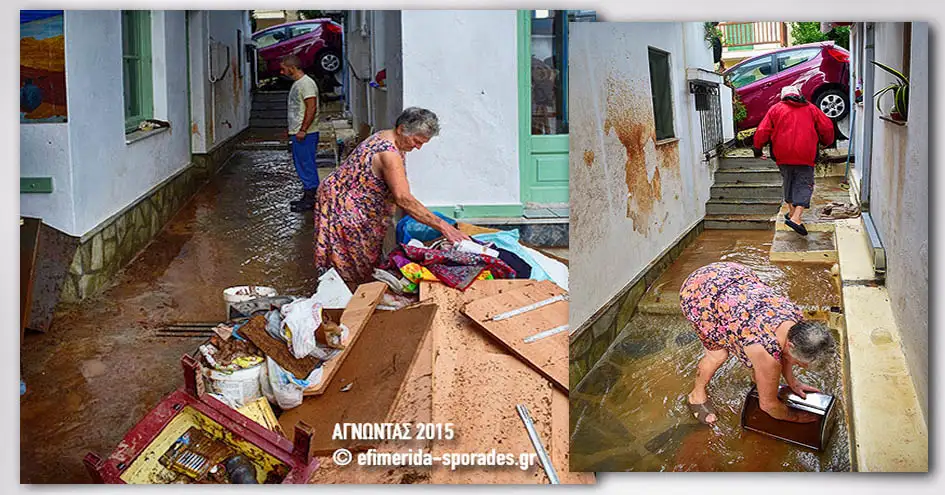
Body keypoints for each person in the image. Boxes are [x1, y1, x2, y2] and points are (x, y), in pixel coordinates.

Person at [312, 107, 472, 284]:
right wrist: (444, 227)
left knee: (364, 257)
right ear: (401, 129)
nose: (418, 147)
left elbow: (400, 185)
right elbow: (403, 198)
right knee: (353, 262)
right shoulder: (388, 152)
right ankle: (348, 300)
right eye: (417, 141)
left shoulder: (391, 137)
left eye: (423, 144)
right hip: (345, 205)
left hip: (349, 197)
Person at [679, 262, 836, 425]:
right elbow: (768, 405)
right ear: (791, 346)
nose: (798, 365)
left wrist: (792, 382)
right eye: (800, 363)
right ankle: (695, 395)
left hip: (726, 274)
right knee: (717, 355)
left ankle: (760, 378)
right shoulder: (765, 352)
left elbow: (785, 353)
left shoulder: (797, 322)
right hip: (700, 292)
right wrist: (794, 417)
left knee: (765, 367)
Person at [753, 85, 835, 236]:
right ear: (799, 95)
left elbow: (763, 130)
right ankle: (796, 218)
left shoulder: (776, 109)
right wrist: (826, 142)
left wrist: (757, 149)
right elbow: (827, 128)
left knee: (789, 181)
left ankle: (791, 214)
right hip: (805, 154)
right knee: (804, 184)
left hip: (782, 155)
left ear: (783, 96)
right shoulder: (811, 108)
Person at [280, 55, 321, 213]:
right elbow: (298, 110)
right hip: (299, 132)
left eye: (284, 68)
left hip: (306, 133)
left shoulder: (306, 84)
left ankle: (312, 199)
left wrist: (303, 129)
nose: (282, 72)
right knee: (302, 165)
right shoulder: (299, 84)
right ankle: (308, 196)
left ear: (292, 68)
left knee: (306, 164)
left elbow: (311, 107)